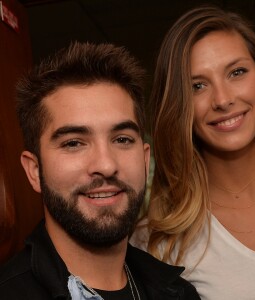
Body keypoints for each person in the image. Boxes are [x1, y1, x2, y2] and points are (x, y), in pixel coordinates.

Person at [0, 41, 200, 300]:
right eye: (74, 143)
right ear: (34, 170)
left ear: (144, 157)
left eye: (122, 139)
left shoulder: (179, 293)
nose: (106, 165)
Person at [131, 5, 255, 300]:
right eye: (197, 86)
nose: (222, 100)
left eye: (237, 72)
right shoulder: (158, 241)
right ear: (179, 106)